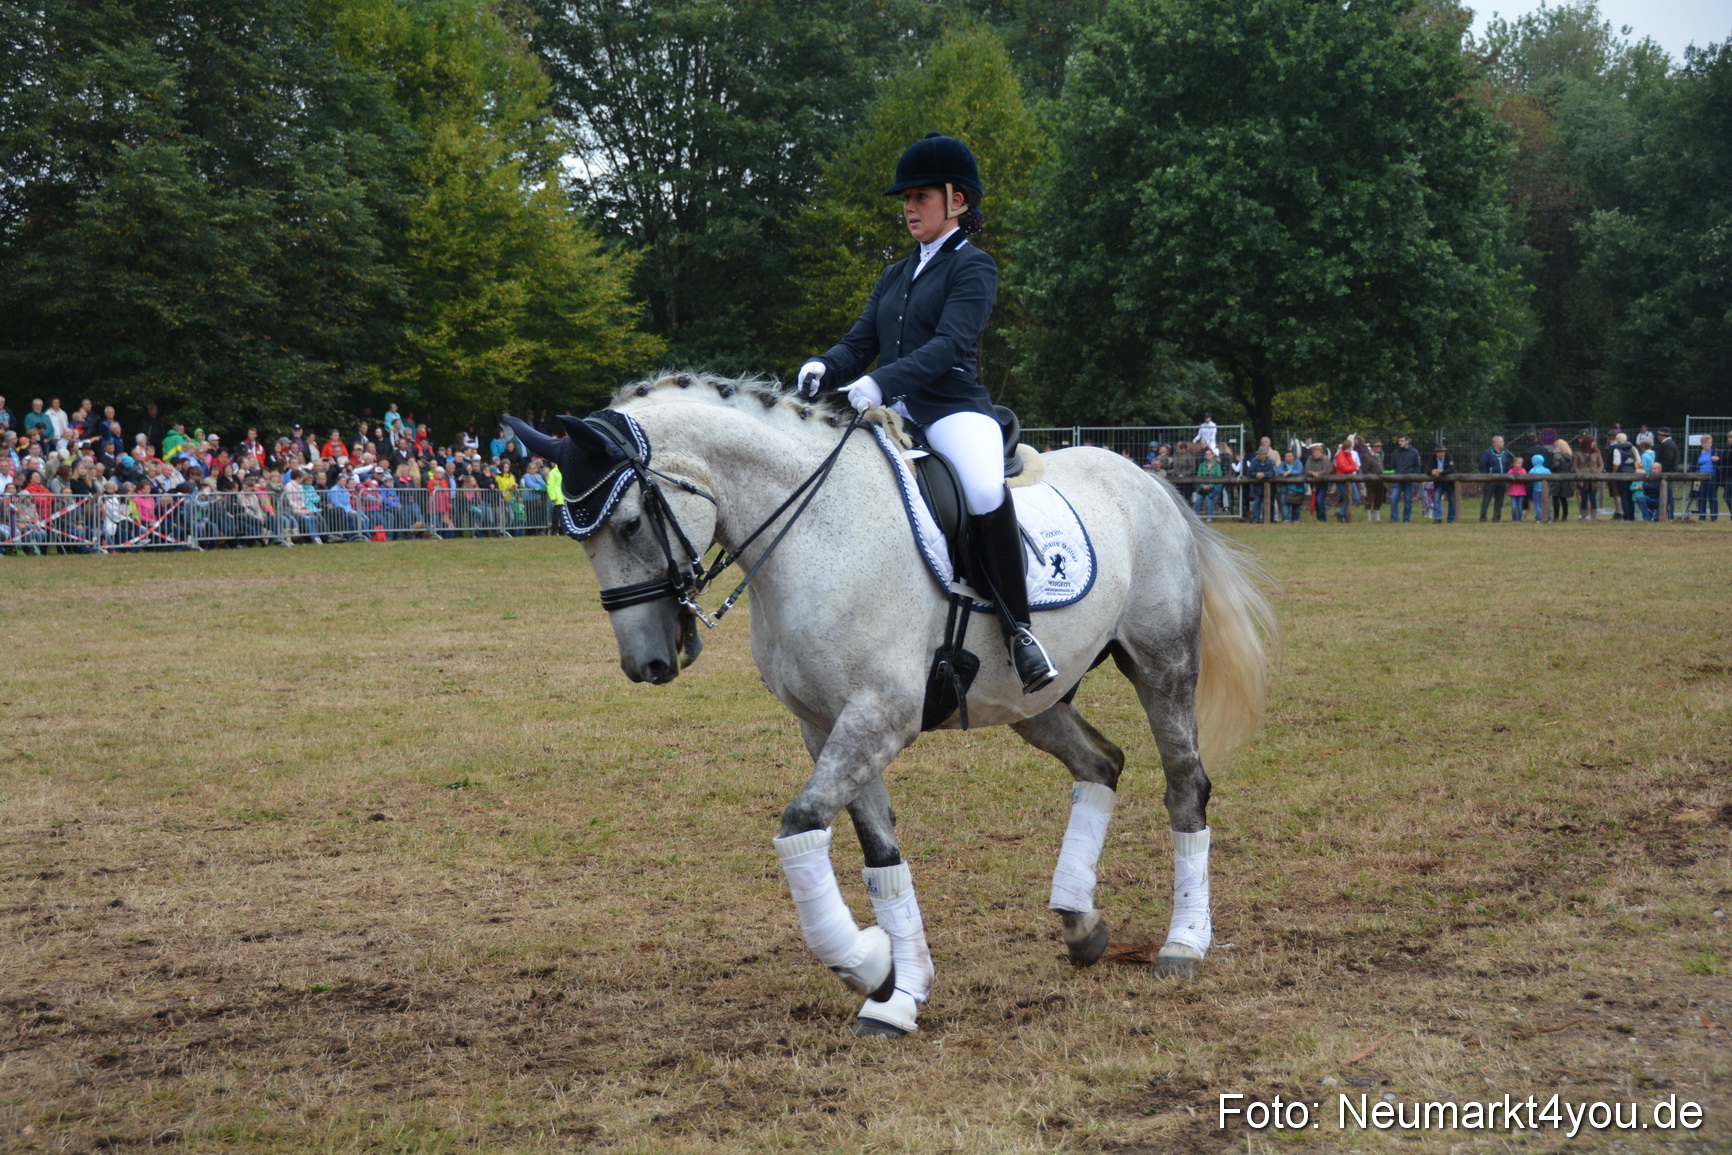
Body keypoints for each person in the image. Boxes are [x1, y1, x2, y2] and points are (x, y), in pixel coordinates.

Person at [796, 132, 1055, 693]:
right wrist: (825, 366)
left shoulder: (974, 268)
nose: (909, 207)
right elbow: (859, 340)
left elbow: (947, 346)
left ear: (956, 200)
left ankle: (1021, 631)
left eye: (921, 197)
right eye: (905, 199)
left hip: (952, 409)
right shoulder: (894, 273)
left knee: (983, 490)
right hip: (893, 415)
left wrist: (879, 382)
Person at [1385, 434, 1421, 522]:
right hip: (1398, 480)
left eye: (1402, 441)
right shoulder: (1395, 453)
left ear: (1407, 441)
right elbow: (1392, 466)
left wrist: (1412, 475)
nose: (1400, 443)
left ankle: (1407, 519)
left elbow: (1418, 466)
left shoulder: (1414, 452)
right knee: (1393, 498)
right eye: (1399, 441)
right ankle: (1394, 518)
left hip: (1409, 479)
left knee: (1408, 500)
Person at [1478, 436, 1512, 522]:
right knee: (1487, 498)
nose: (1503, 444)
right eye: (1502, 442)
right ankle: (1483, 517)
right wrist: (1487, 476)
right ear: (1496, 443)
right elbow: (1482, 465)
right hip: (1491, 480)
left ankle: (1496, 517)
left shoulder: (1504, 453)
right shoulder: (1487, 453)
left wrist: (1506, 474)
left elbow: (1508, 464)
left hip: (1502, 480)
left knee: (1499, 499)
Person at [1607, 432, 1639, 520]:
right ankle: (1632, 516)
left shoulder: (1617, 449)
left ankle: (1626, 516)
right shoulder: (1633, 448)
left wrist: (1614, 473)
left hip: (1621, 475)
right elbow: (1638, 461)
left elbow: (1616, 464)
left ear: (1617, 440)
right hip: (1632, 475)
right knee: (1630, 496)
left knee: (1623, 496)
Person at [1244, 444, 1277, 523]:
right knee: (1257, 502)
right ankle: (1256, 518)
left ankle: (1271, 519)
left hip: (1270, 487)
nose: (1259, 455)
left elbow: (1273, 471)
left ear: (1266, 454)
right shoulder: (1254, 461)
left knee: (1271, 502)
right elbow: (1250, 472)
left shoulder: (1270, 461)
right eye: (1258, 454)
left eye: (1261, 454)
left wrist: (1264, 475)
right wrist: (1256, 475)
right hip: (1257, 487)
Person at [1574, 433, 1601, 520]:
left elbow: (1601, 465)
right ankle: (1583, 516)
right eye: (1593, 442)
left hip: (1593, 479)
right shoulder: (1578, 453)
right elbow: (1575, 466)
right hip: (1583, 479)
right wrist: (1580, 474)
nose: (1594, 444)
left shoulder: (1597, 452)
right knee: (1584, 498)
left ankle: (1594, 516)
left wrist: (1597, 473)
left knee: (1593, 498)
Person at [1331, 438, 1358, 523]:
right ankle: (1343, 514)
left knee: (1355, 498)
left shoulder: (1348, 455)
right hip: (1341, 479)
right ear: (1349, 447)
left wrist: (1352, 467)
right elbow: (1345, 468)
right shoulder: (1339, 456)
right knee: (1346, 498)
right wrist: (1353, 468)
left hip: (1349, 477)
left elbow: (1353, 464)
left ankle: (1341, 512)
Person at [1548, 438, 1575, 523]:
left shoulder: (1556, 456)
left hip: (1557, 478)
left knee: (1555, 497)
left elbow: (1555, 466)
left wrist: (1551, 467)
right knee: (1564, 498)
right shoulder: (1570, 456)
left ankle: (1556, 516)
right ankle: (1565, 516)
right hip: (1566, 478)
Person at [1302, 443, 1331, 522]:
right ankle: (1319, 517)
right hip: (1313, 483)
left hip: (1323, 483)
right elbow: (1307, 470)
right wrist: (1312, 473)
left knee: (1319, 499)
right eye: (1314, 452)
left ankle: (1323, 518)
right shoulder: (1310, 458)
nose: (1316, 454)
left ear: (1321, 453)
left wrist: (1318, 474)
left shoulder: (1325, 459)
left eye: (1317, 452)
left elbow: (1326, 470)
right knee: (1316, 500)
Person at [1694, 435, 1719, 521]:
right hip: (1700, 478)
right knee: (1701, 497)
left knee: (1712, 497)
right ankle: (1702, 516)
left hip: (1712, 477)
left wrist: (1718, 459)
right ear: (1701, 444)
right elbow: (1694, 464)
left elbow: (1721, 461)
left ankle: (1714, 517)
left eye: (1708, 443)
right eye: (1704, 443)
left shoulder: (1715, 452)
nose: (1706, 445)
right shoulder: (1698, 453)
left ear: (1711, 443)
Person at [1429, 444, 1456, 523]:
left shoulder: (1449, 457)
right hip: (1439, 483)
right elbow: (1427, 469)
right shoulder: (1433, 458)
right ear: (1435, 453)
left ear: (1444, 452)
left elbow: (1452, 469)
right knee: (1436, 497)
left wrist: (1441, 472)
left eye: (1442, 452)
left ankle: (1451, 519)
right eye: (1438, 452)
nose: (1440, 453)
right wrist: (1432, 471)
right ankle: (1438, 518)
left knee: (1452, 500)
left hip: (1449, 483)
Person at [1193, 447, 1223, 517]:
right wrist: (1203, 485)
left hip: (1215, 486)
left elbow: (1218, 478)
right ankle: (1195, 517)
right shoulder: (1202, 465)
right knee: (1199, 498)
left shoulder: (1217, 465)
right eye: (1206, 454)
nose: (1208, 455)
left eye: (1209, 454)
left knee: (1209, 498)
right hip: (1203, 487)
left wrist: (1210, 485)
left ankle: (1210, 517)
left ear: (1213, 455)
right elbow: (1198, 477)